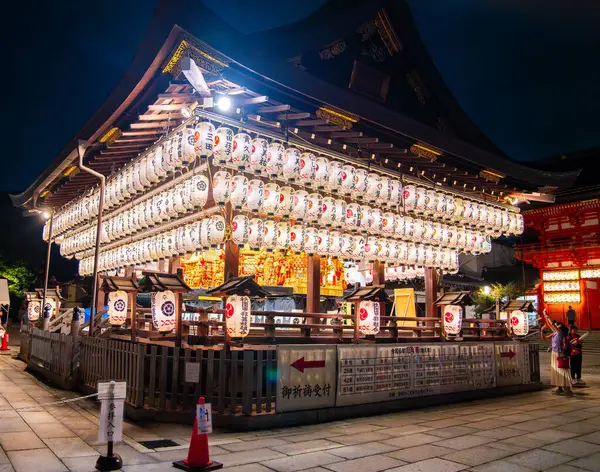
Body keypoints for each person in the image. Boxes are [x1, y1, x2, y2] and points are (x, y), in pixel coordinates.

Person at [541, 310, 573, 396]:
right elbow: (550, 325)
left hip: (559, 353)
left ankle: (567, 387)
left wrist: (546, 315)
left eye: (557, 324)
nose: (555, 325)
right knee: (556, 370)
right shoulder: (556, 333)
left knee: (562, 370)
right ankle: (559, 386)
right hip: (555, 353)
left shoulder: (560, 333)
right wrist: (545, 318)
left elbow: (551, 324)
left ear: (560, 327)